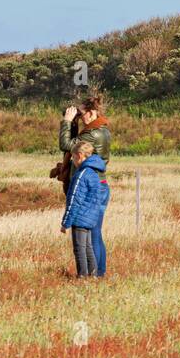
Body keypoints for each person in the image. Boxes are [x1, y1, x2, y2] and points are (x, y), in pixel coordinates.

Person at [56, 94, 111, 275]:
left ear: (92, 112)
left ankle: (93, 275)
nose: (80, 118)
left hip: (89, 185)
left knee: (90, 232)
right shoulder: (102, 129)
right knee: (96, 232)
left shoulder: (91, 133)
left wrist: (66, 122)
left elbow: (67, 145)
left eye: (82, 114)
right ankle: (99, 273)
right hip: (99, 183)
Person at [60, 141, 110, 278]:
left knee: (79, 249)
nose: (73, 162)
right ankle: (93, 276)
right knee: (88, 248)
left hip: (80, 218)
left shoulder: (81, 175)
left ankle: (82, 276)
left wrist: (65, 223)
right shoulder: (94, 173)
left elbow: (74, 200)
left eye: (73, 158)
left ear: (80, 155)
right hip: (90, 218)